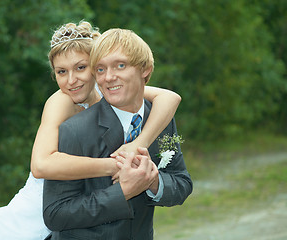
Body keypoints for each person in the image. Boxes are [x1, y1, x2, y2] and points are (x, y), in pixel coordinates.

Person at [0, 21, 181, 240]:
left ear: (96, 67)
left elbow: (170, 97)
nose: (71, 80)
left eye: (81, 68)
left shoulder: (109, 91)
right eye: (61, 72)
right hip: (35, 216)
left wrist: (136, 145)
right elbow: (40, 165)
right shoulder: (61, 101)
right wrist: (116, 165)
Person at [43, 28, 193, 240]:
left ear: (145, 70)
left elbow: (182, 183)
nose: (109, 77)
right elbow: (55, 214)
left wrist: (153, 181)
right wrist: (122, 192)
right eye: (101, 69)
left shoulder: (160, 120)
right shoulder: (74, 130)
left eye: (120, 65)